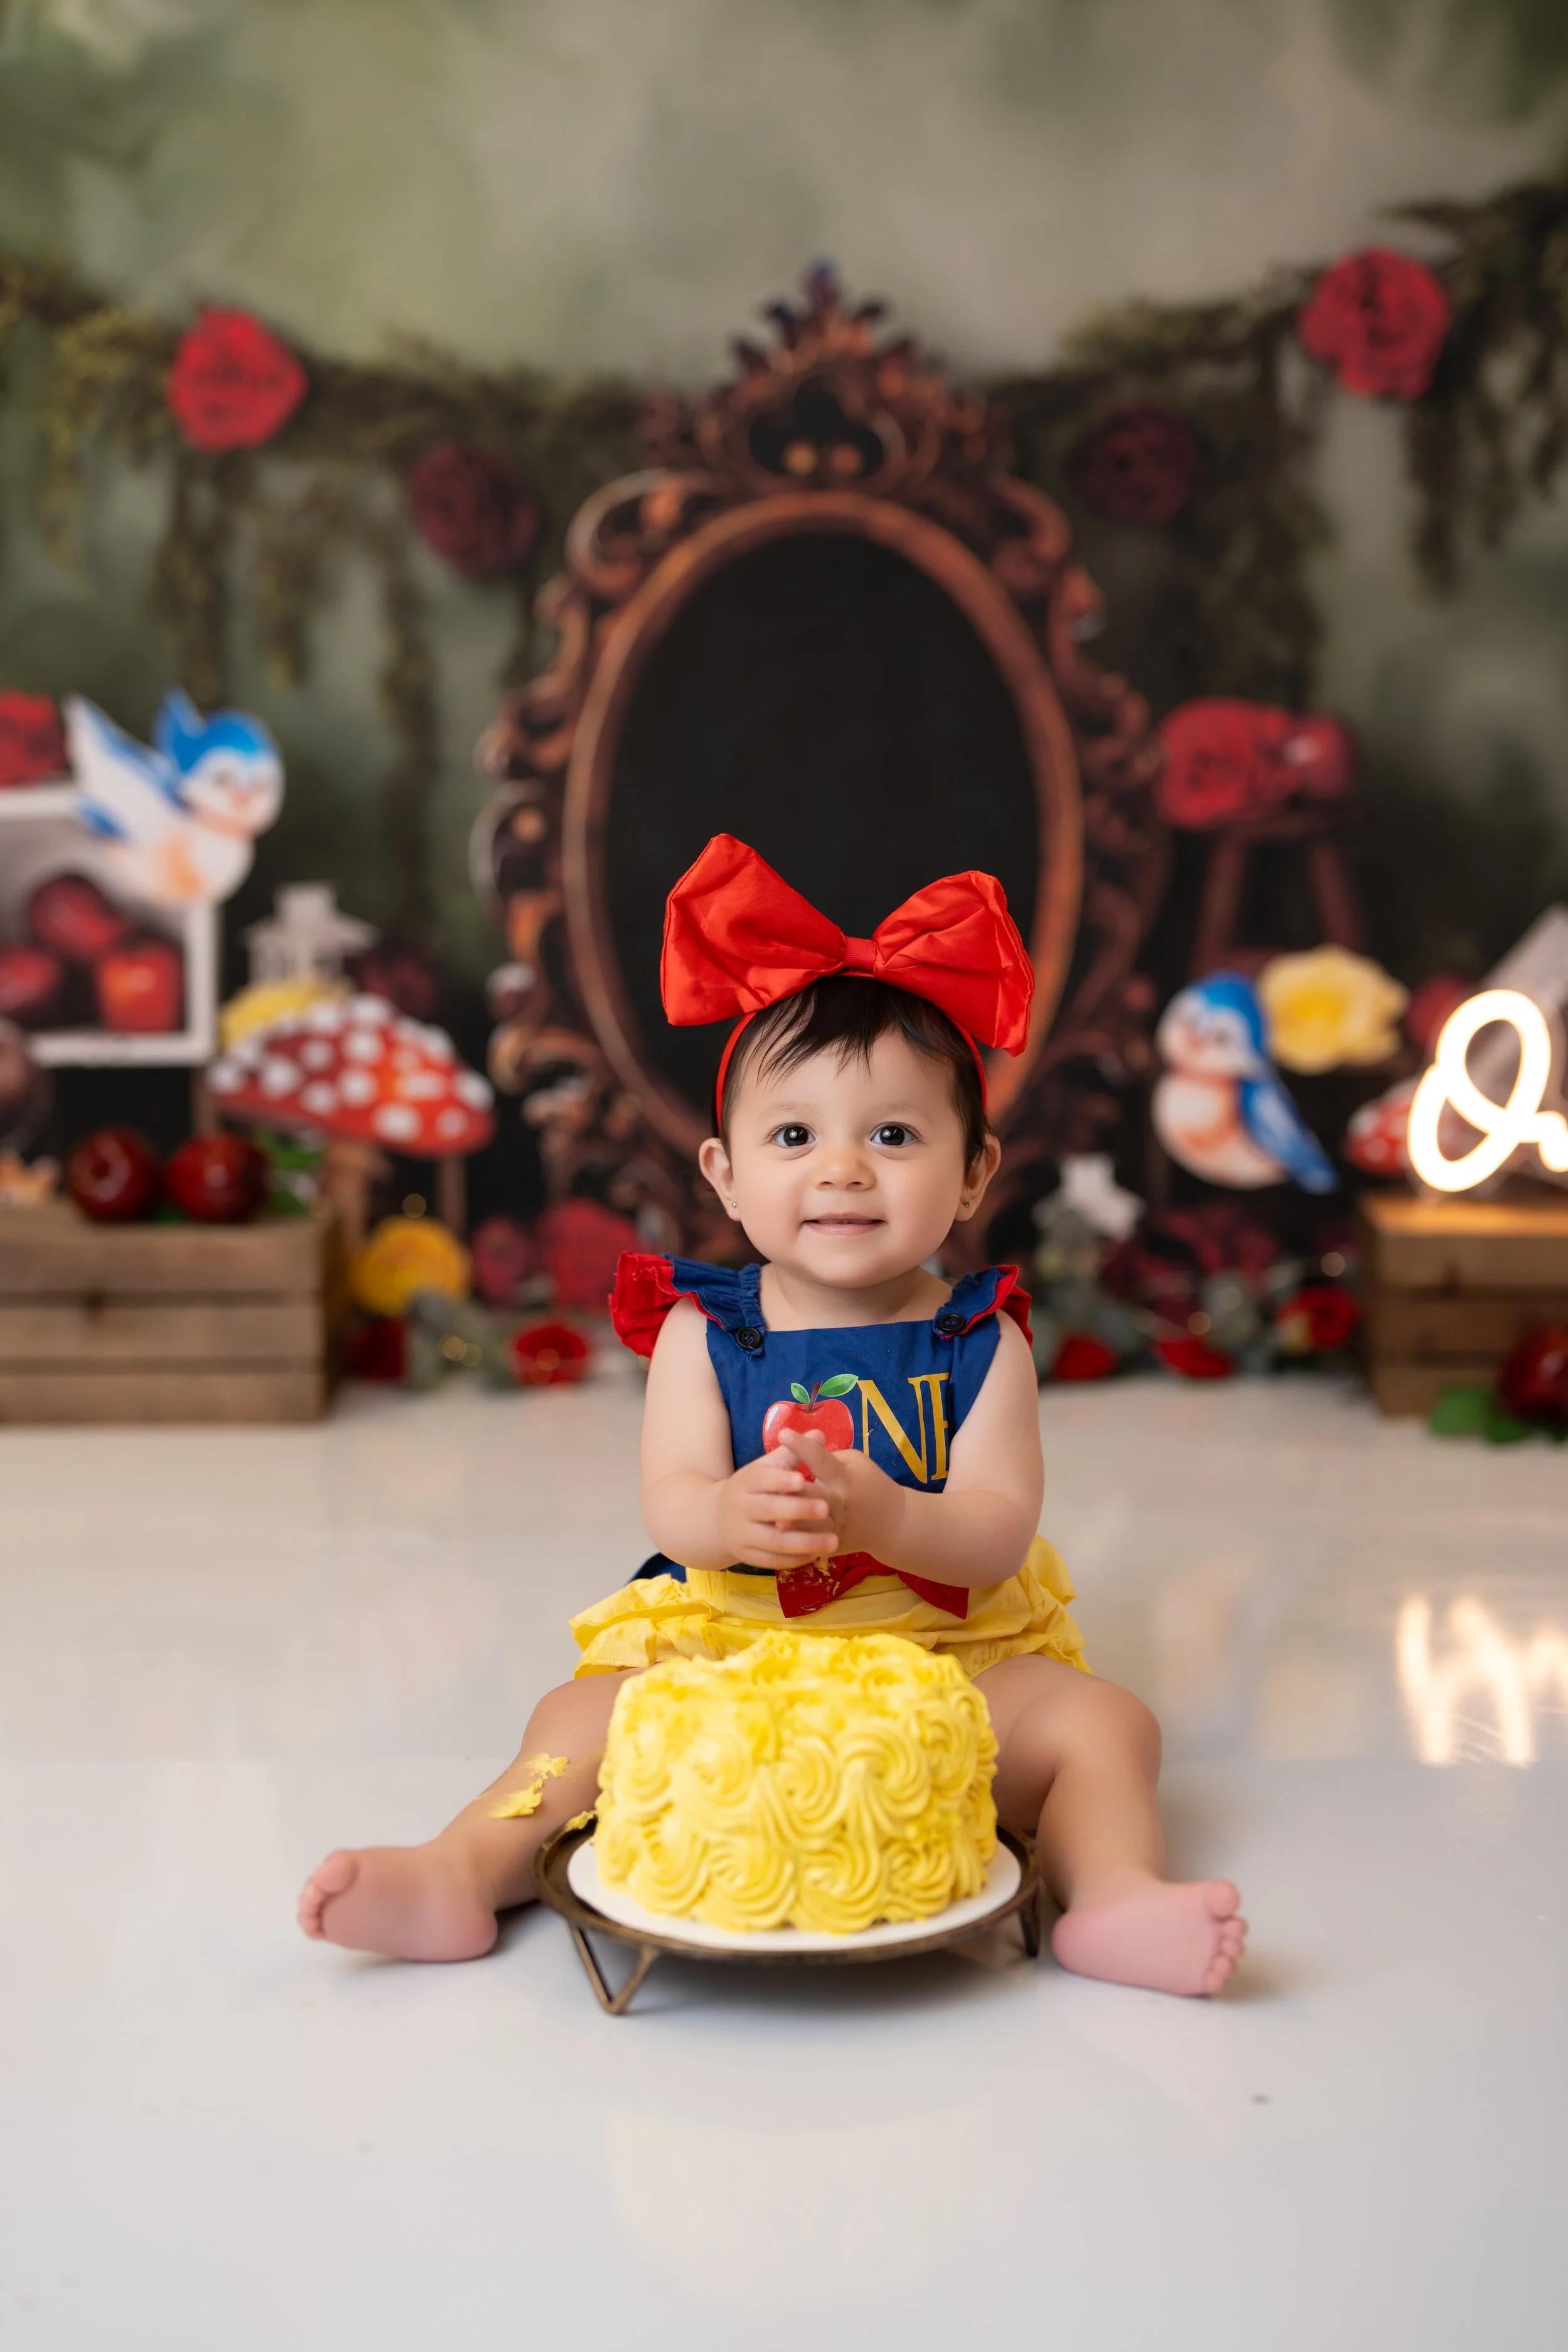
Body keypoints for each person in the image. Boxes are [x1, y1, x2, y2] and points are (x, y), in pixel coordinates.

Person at [299, 835, 1247, 1995]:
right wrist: (727, 1513)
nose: (842, 1168)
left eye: (893, 1135)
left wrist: (891, 1516)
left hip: (941, 1665)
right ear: (725, 1172)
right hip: (731, 1650)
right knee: (576, 1719)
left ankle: (1113, 1896)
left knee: (1110, 1725)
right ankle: (456, 1870)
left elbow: (1000, 1529)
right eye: (794, 1136)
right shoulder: (704, 1331)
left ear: (974, 1172)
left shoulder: (980, 1340)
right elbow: (672, 1499)